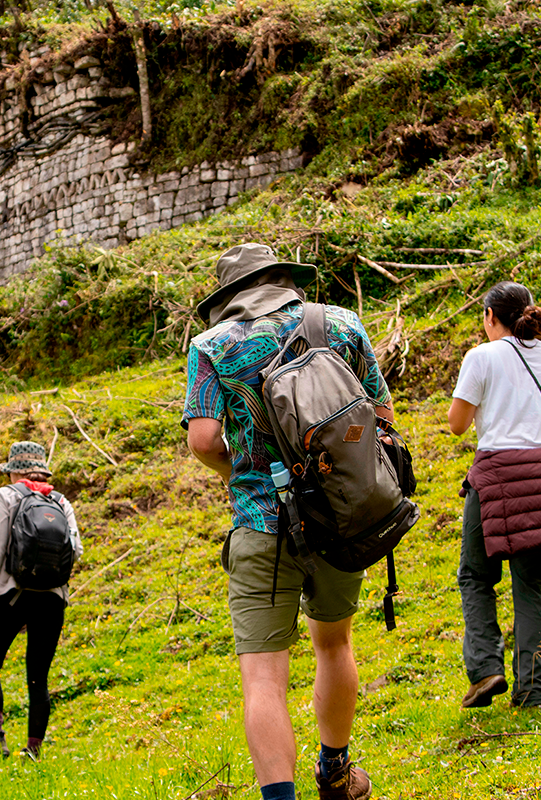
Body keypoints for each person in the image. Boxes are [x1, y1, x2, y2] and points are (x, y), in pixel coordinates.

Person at [182, 243, 393, 800]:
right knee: (334, 644)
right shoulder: (341, 324)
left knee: (264, 677)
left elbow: (203, 439)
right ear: (283, 278)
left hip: (260, 521)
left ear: (229, 296)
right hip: (341, 516)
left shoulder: (211, 346)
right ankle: (336, 772)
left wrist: (238, 472)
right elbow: (382, 415)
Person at [448, 281, 541, 709]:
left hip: (496, 479)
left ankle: (486, 669)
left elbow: (457, 423)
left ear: (491, 316)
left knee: (476, 575)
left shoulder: (481, 357)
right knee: (533, 586)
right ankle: (533, 689)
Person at [0, 441, 82, 759]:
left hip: (11, 594)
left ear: (15, 472)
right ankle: (33, 750)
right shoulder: (61, 501)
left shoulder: (5, 496)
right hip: (52, 599)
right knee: (39, 677)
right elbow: (75, 550)